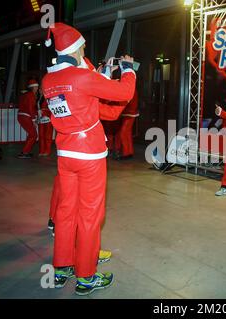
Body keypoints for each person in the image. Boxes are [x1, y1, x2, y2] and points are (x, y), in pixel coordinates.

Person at [41, 22, 136, 296]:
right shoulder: (81, 77)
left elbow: (85, 103)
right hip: (90, 155)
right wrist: (128, 71)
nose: (85, 50)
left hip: (65, 154)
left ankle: (62, 268)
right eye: (82, 46)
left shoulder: (50, 80)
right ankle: (86, 276)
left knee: (65, 211)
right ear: (74, 48)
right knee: (90, 214)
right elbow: (124, 93)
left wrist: (101, 73)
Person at [17, 79, 39, 158]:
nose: (37, 88)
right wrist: (34, 120)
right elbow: (31, 108)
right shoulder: (31, 95)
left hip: (22, 116)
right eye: (36, 87)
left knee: (32, 134)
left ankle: (26, 151)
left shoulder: (26, 94)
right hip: (26, 116)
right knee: (33, 135)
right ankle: (24, 152)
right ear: (33, 87)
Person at [115, 89, 139, 160]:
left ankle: (126, 153)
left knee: (123, 133)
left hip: (129, 112)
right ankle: (129, 152)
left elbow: (126, 101)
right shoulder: (131, 89)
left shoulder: (130, 89)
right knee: (127, 133)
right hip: (128, 112)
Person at [36, 88, 53, 156]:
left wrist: (45, 112)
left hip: (47, 118)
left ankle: (47, 151)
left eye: (42, 89)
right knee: (41, 135)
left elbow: (51, 108)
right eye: (40, 89)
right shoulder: (38, 98)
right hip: (40, 118)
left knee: (47, 135)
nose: (40, 90)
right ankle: (41, 151)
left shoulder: (48, 98)